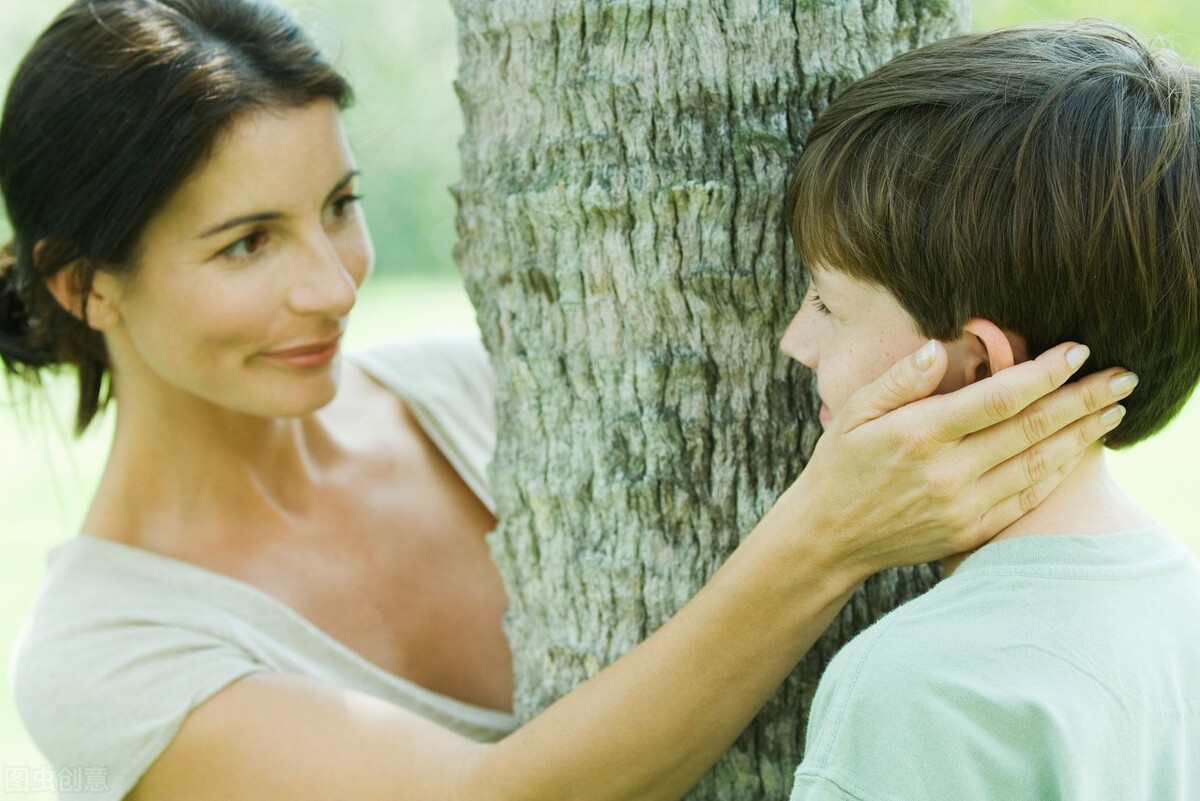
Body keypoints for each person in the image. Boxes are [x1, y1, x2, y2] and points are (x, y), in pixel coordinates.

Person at [0, 2, 1134, 800]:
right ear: (84, 285)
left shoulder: (469, 384)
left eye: (339, 205)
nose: (334, 284)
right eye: (247, 243)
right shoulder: (105, 657)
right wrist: (826, 537)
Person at [781, 21, 1200, 801]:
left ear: (980, 367)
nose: (794, 342)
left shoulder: (919, 692)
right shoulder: (1183, 618)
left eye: (826, 303)